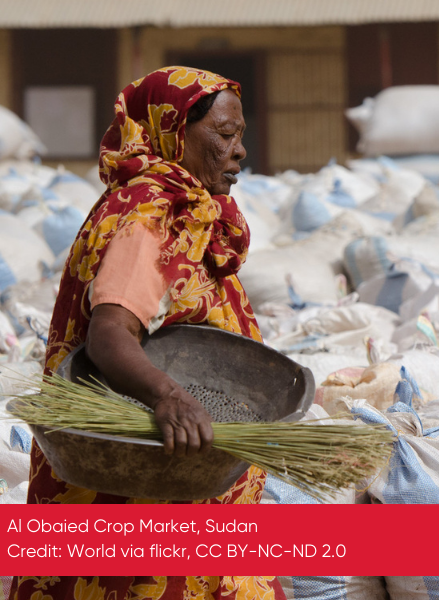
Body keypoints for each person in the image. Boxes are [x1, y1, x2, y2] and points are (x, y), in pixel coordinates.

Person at [9, 67, 283, 600]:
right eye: (224, 136)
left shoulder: (181, 208)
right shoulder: (150, 214)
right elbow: (110, 333)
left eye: (240, 135)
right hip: (150, 481)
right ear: (172, 133)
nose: (240, 151)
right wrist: (171, 398)